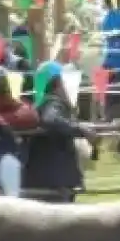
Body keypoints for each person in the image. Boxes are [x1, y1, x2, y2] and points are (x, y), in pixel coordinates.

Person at [23, 69, 96, 202]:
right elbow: (51, 120)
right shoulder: (54, 102)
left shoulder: (47, 103)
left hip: (47, 177)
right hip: (52, 179)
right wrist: (80, 129)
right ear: (58, 86)